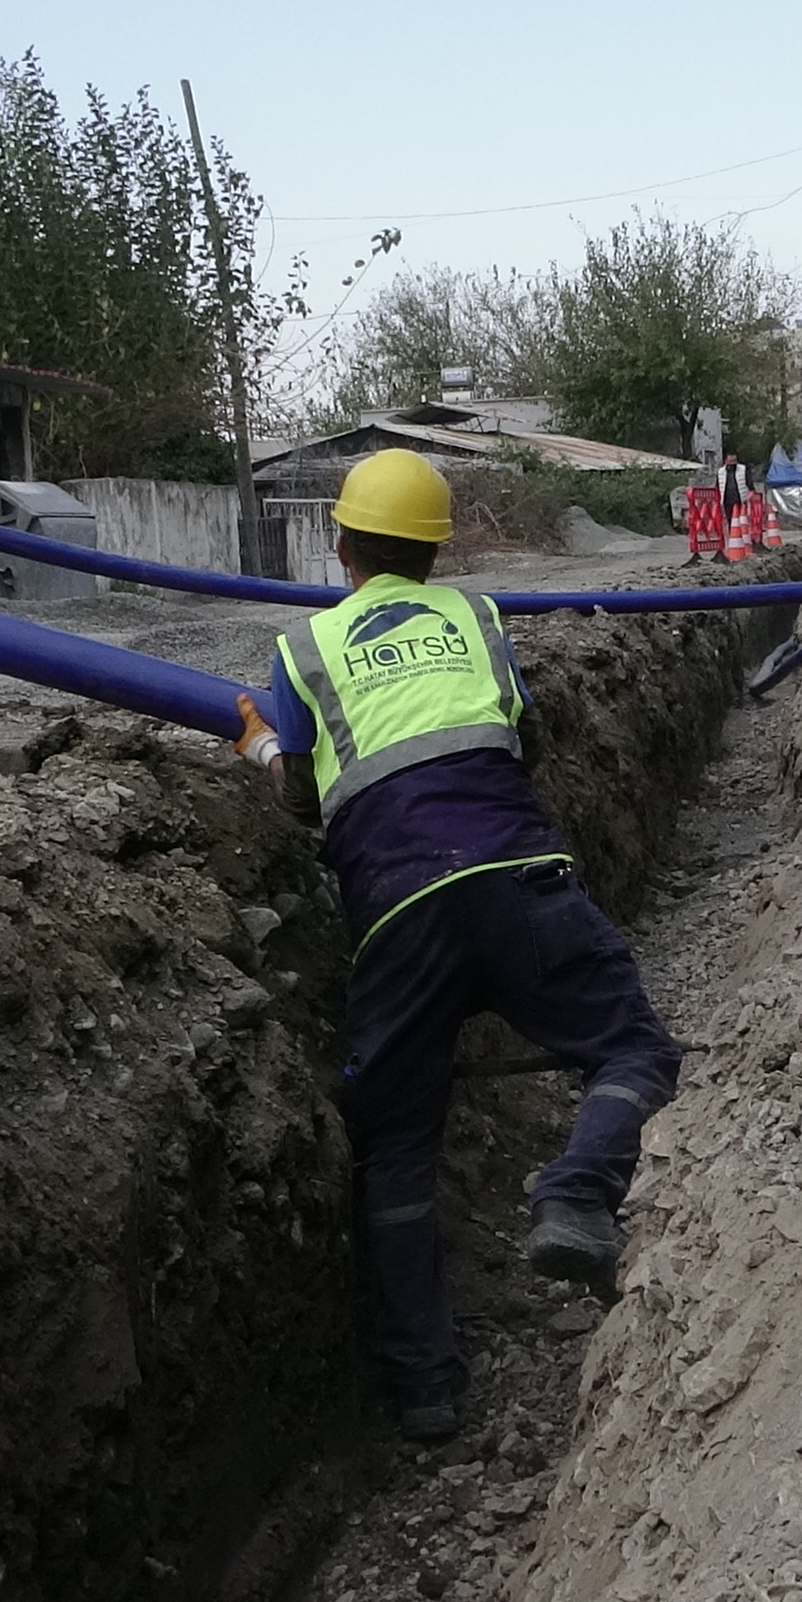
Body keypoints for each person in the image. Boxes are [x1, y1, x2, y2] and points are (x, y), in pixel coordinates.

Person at [230, 449, 682, 1442]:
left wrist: (261, 740)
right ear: (437, 555)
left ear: (337, 542)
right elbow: (524, 743)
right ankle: (573, 1191)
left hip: (396, 916)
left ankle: (426, 1390)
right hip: (518, 881)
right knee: (636, 1049)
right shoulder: (477, 620)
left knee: (394, 1146)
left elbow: (303, 799)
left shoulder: (302, 647)